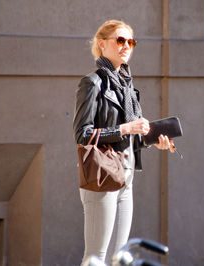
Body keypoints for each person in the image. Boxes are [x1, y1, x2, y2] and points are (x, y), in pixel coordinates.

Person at [73, 20, 174, 265]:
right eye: (120, 40)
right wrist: (125, 128)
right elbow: (82, 134)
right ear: (102, 44)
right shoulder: (92, 83)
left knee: (119, 257)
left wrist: (152, 141)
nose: (126, 46)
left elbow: (130, 138)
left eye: (130, 42)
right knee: (96, 257)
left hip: (126, 177)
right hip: (102, 177)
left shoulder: (128, 86)